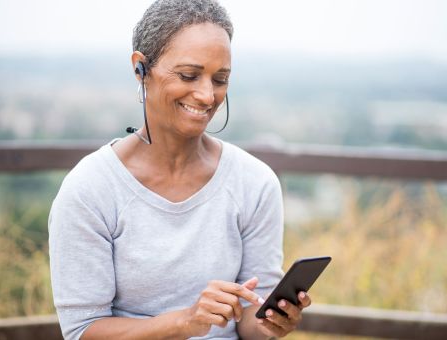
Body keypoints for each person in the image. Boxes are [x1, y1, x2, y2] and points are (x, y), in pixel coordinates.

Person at [48, 0, 311, 338]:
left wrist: (272, 324)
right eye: (189, 75)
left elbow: (250, 324)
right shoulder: (90, 189)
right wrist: (185, 322)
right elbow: (82, 331)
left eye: (220, 79)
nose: (206, 95)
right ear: (140, 68)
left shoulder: (255, 183)